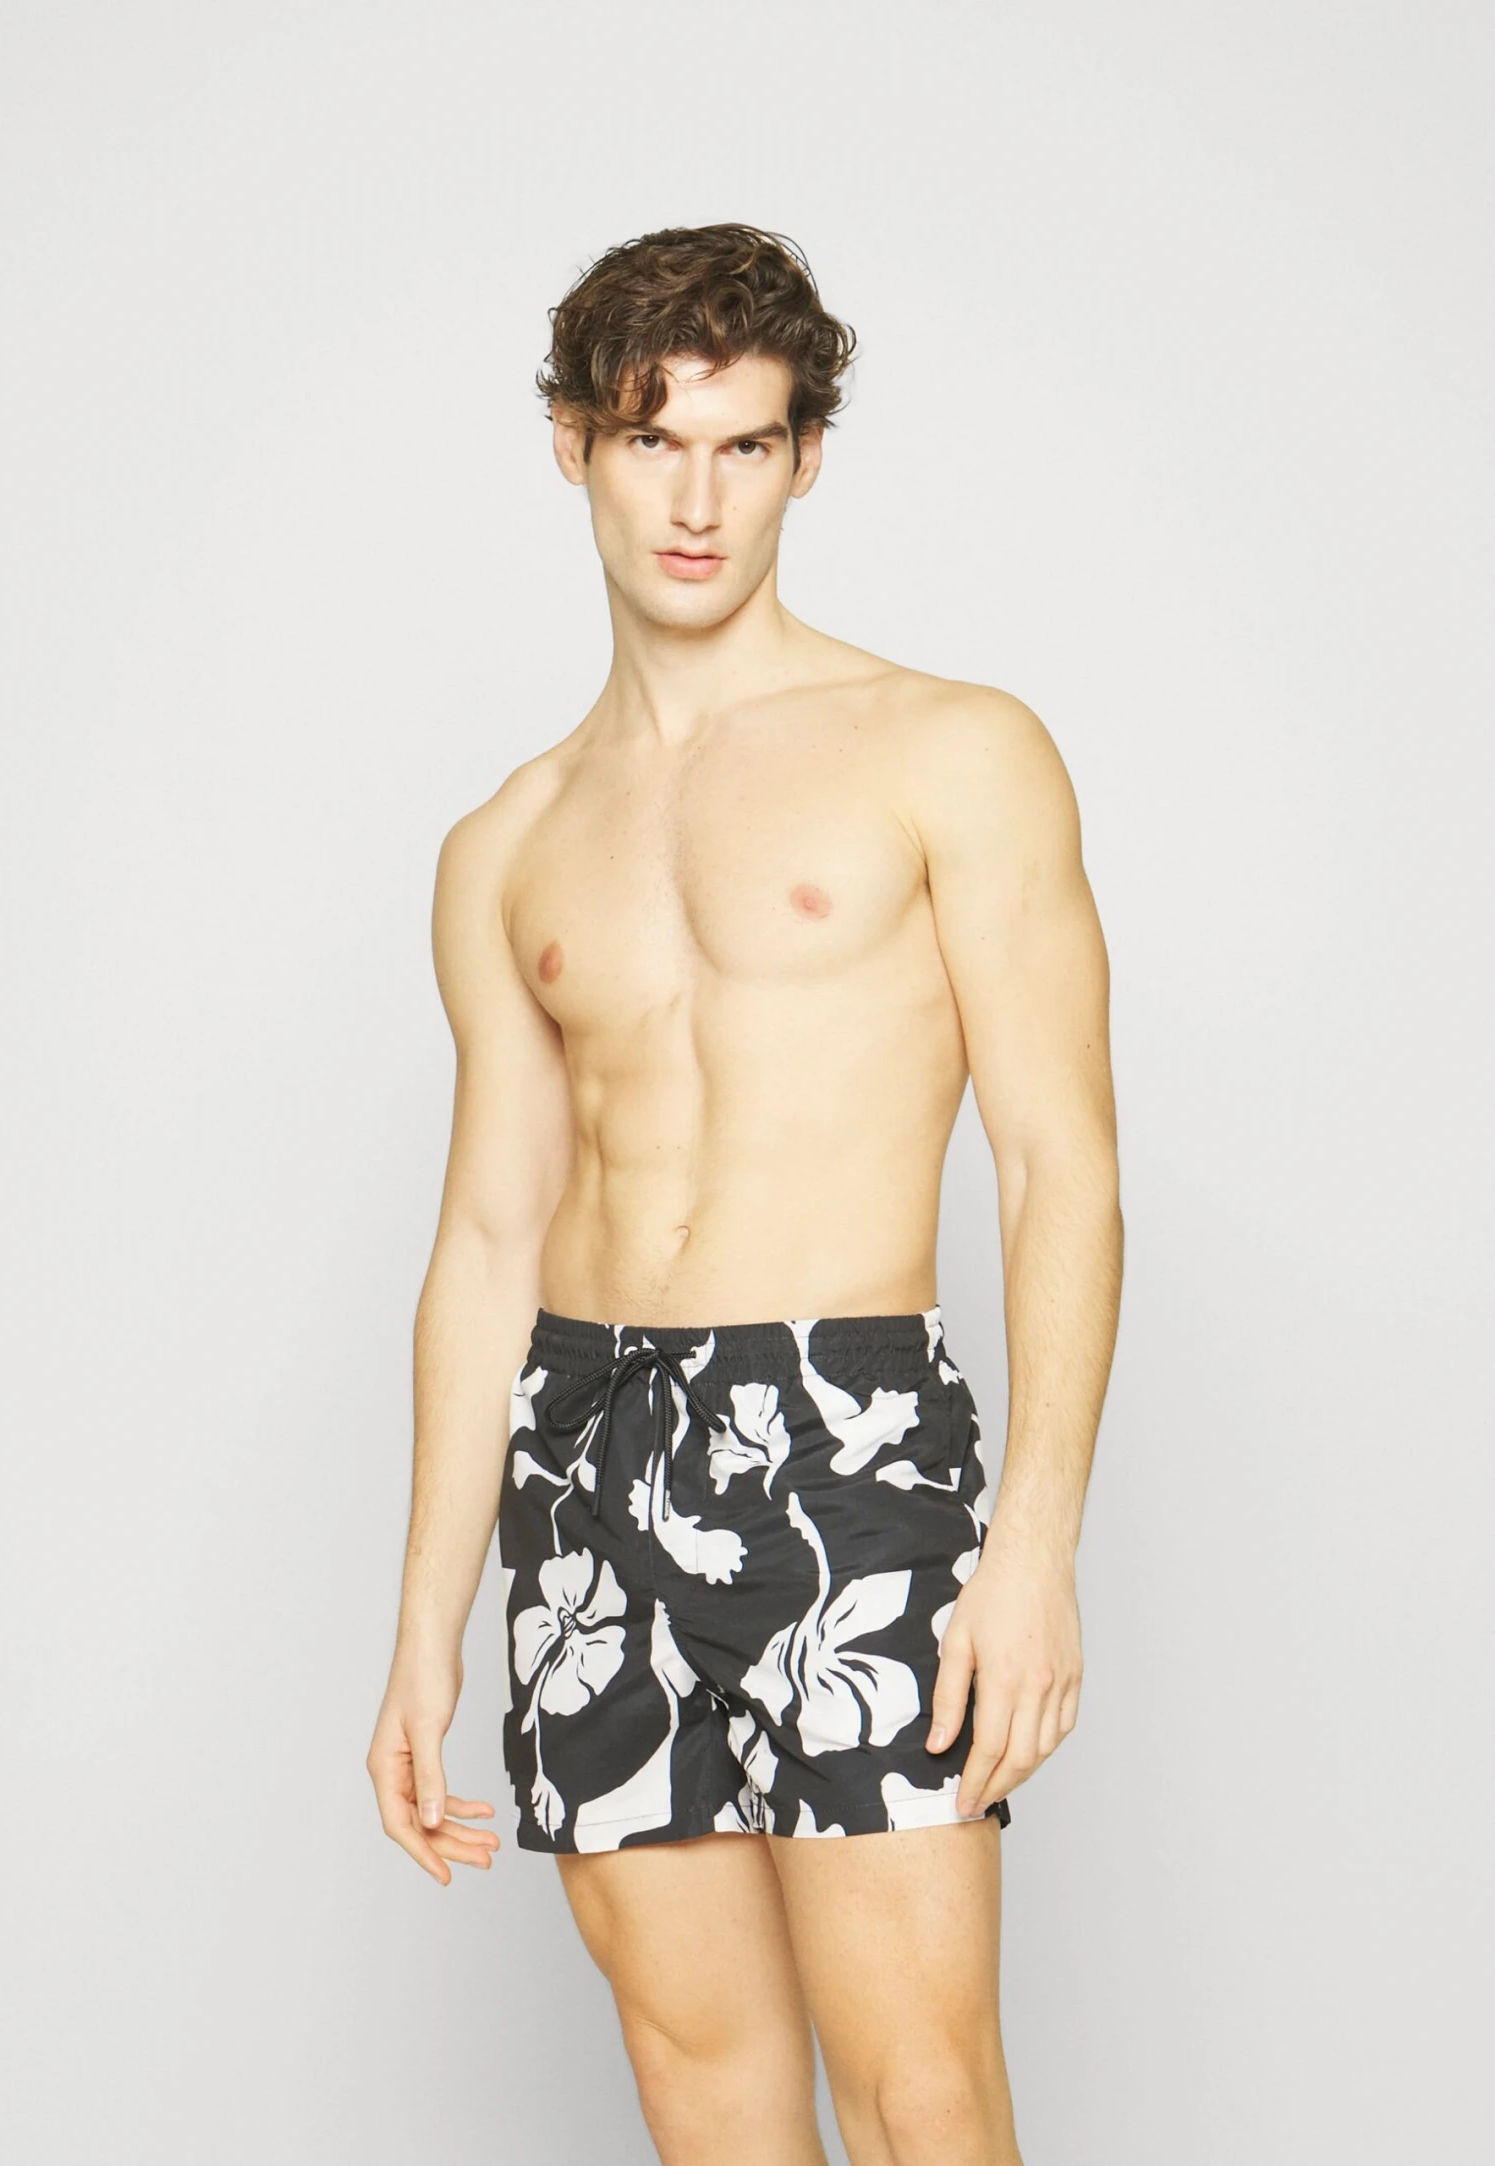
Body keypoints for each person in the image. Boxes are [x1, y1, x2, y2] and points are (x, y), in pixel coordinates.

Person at [366, 222, 1123, 2166]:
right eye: (651, 441)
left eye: (745, 445)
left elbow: (1060, 1165)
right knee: (699, 2089)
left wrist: (1034, 1542)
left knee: (922, 2091)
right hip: (582, 1455)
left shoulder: (951, 750)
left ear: (805, 458)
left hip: (847, 1434)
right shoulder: (505, 843)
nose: (696, 502)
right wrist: (426, 1624)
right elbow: (485, 1242)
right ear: (572, 444)